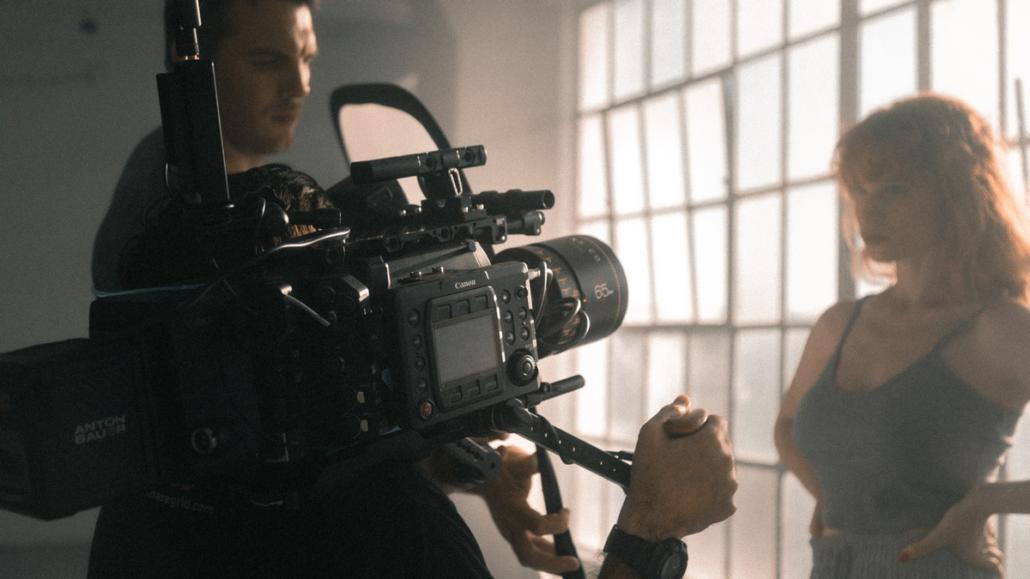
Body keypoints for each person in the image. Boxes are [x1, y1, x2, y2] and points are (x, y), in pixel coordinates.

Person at [89, 1, 739, 576]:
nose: (298, 86)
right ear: (194, 62)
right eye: (266, 60)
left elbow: (308, 421)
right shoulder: (193, 210)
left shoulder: (147, 489)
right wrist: (651, 527)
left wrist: (454, 464)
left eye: (307, 59)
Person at [775, 93, 1030, 578]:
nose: (868, 212)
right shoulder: (839, 324)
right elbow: (787, 427)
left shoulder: (999, 328)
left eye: (893, 189)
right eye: (861, 192)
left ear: (956, 194)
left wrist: (983, 504)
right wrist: (835, 497)